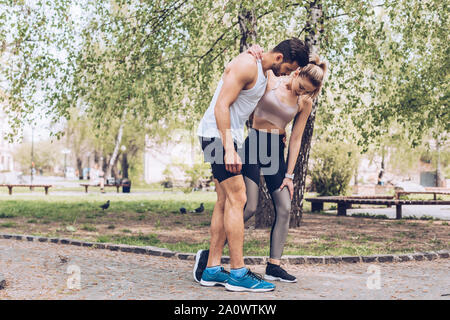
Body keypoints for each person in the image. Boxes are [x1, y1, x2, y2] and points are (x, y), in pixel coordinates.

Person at [195, 38, 311, 292]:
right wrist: (228, 149)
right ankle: (237, 273)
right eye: (290, 69)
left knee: (225, 202)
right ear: (280, 58)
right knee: (239, 199)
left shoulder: (261, 67)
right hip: (218, 137)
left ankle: (212, 269)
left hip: (228, 137)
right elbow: (221, 105)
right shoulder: (248, 64)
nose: (288, 75)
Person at [241, 52, 327, 283]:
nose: (302, 92)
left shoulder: (304, 102)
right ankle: (213, 254)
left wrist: (289, 175)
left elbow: (296, 138)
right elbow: (257, 63)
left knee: (285, 207)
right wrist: (254, 50)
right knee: (249, 206)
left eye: (307, 90)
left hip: (275, 150)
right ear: (296, 72)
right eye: (301, 86)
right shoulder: (271, 78)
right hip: (254, 143)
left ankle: (274, 266)